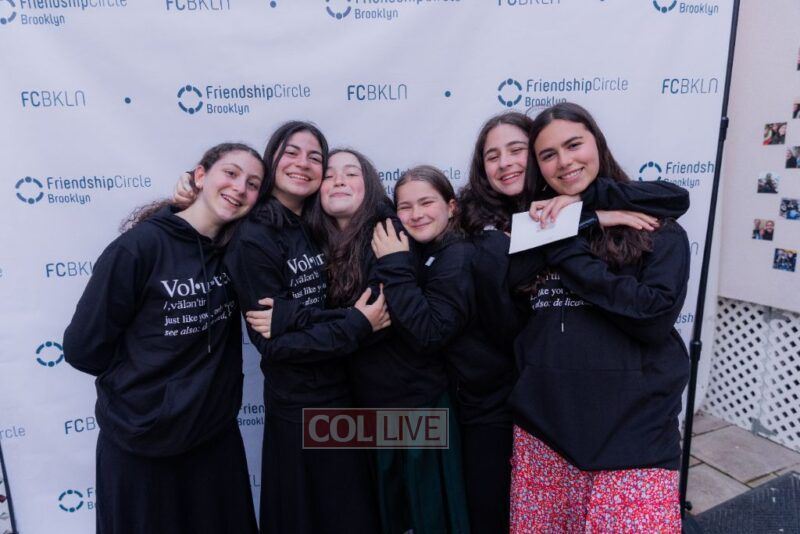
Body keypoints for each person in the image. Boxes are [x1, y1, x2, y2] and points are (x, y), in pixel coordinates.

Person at [457, 111, 690, 533]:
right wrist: (579, 222)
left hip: (634, 443)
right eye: (548, 154)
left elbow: (652, 317)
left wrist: (574, 228)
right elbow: (497, 287)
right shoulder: (530, 231)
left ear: (597, 141)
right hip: (544, 440)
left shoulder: (652, 227)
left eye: (574, 145)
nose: (564, 161)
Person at [63, 143, 267, 534]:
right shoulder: (138, 248)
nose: (240, 187)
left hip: (213, 444)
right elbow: (83, 348)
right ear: (200, 175)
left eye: (253, 184)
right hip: (140, 445)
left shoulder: (238, 250)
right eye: (231, 173)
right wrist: (151, 389)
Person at [223, 124, 387, 534]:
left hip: (346, 394)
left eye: (316, 157)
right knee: (310, 517)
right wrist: (356, 325)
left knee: (353, 515)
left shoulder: (319, 222)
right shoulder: (254, 237)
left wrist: (294, 315)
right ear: (272, 159)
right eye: (292, 152)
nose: (303, 164)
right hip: (302, 410)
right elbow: (274, 345)